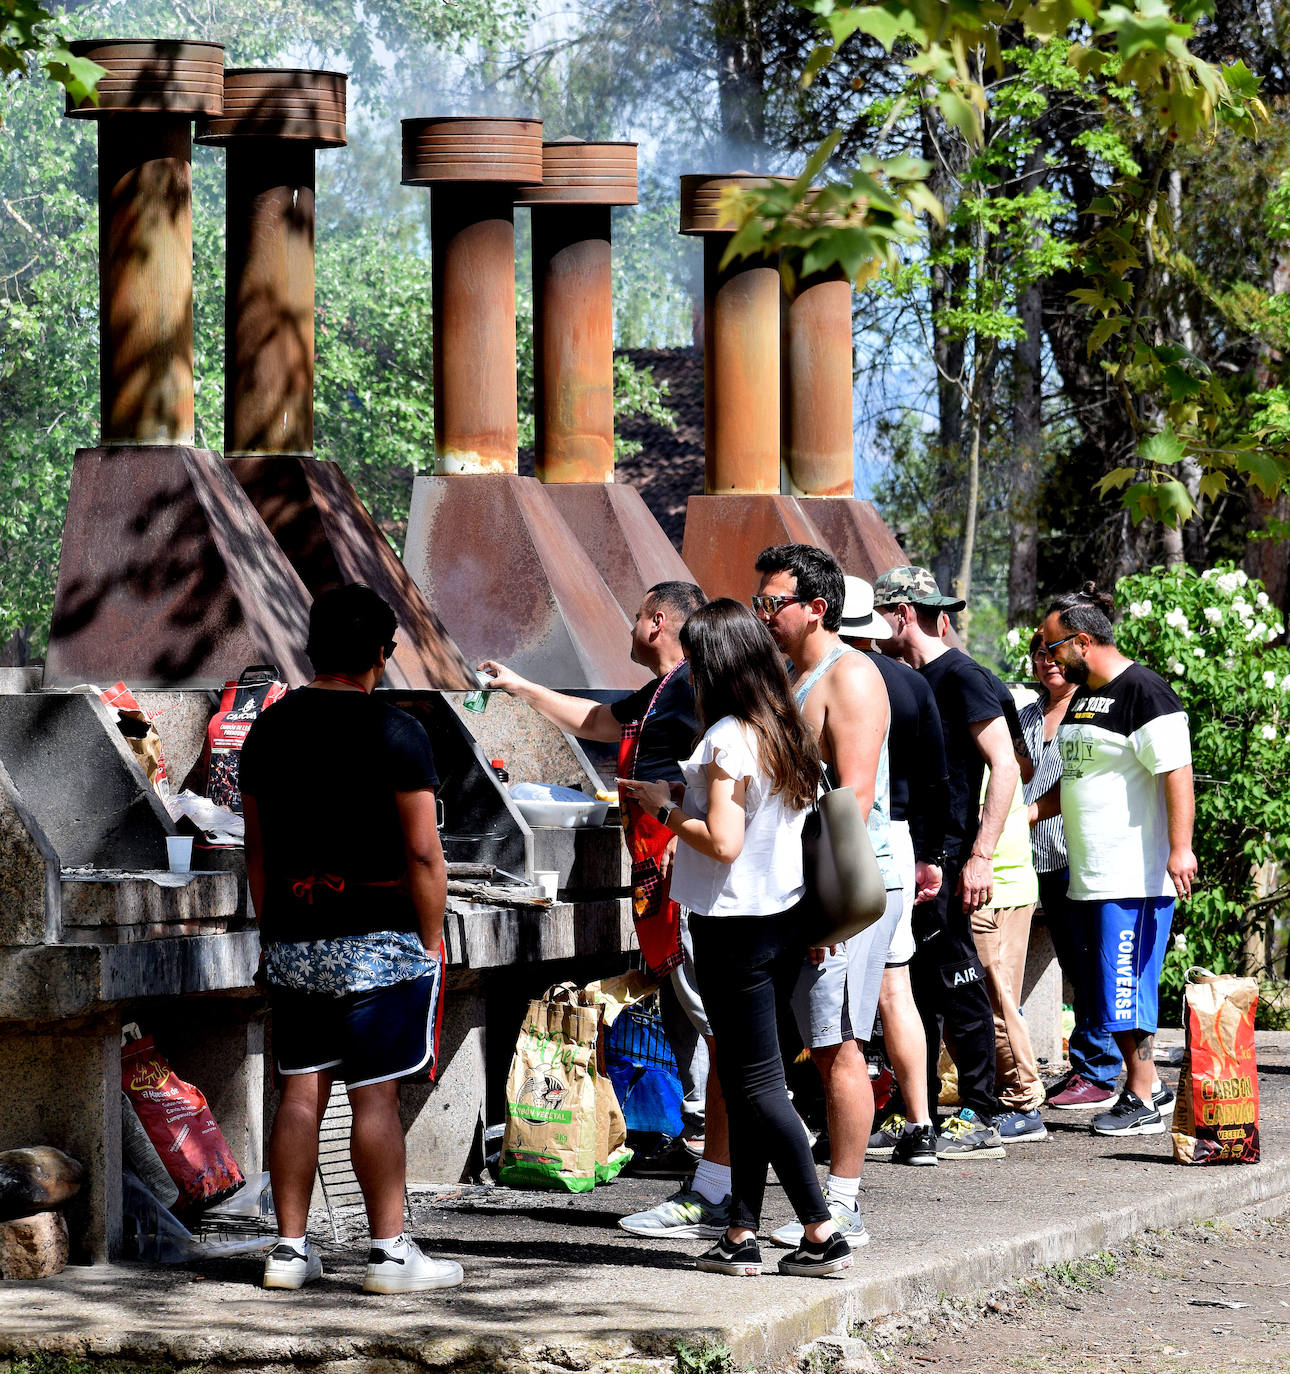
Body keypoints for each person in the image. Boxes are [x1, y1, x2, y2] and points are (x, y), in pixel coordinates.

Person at [477, 583, 734, 1235]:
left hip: (685, 873)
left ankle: (724, 1179)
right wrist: (520, 687)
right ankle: (708, 1162)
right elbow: (598, 723)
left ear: (655, 621)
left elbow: (718, 778)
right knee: (696, 1019)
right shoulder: (657, 693)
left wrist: (684, 829)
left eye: (635, 616)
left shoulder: (697, 685)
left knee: (717, 1027)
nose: (628, 628)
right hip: (658, 877)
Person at [617, 599, 850, 1278]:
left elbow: (722, 842)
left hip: (733, 928)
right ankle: (742, 1231)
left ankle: (820, 1229)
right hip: (782, 922)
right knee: (753, 1081)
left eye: (695, 658)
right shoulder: (785, 731)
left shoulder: (724, 737)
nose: (688, 671)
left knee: (758, 1085)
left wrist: (663, 808)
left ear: (714, 665)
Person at [240, 584, 463, 1294]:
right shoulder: (397, 732)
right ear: (380, 654)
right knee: (373, 1097)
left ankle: (287, 1249)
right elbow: (425, 855)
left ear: (311, 648)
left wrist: (273, 935)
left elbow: (257, 849)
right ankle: (390, 1255)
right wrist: (430, 940)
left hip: (296, 939)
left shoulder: (267, 730)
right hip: (379, 941)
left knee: (299, 1092)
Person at [748, 545, 904, 1249]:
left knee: (839, 1042)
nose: (763, 614)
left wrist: (827, 914)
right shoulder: (790, 674)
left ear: (818, 607)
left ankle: (846, 1202)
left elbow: (856, 802)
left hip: (843, 886)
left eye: (773, 602)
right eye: (759, 602)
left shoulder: (854, 677)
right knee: (813, 1038)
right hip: (800, 887)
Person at [872, 566, 1028, 1158]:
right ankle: (916, 1109)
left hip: (953, 857)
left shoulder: (960, 676)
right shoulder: (903, 678)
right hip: (910, 857)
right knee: (912, 982)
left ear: (902, 614)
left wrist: (980, 855)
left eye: (876, 618)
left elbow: (1010, 766)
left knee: (958, 976)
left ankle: (981, 1111)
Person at [1030, 583, 1197, 1137]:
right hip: (1089, 874)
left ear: (1081, 641)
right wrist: (1024, 813)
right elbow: (1077, 778)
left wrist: (1180, 849)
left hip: (1133, 875)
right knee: (1102, 992)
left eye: (1052, 648)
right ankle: (1141, 1085)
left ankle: (1144, 1096)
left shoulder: (1144, 691)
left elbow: (1176, 771)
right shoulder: (1083, 696)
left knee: (1125, 986)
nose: (1047, 658)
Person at [838, 576, 948, 1168]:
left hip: (847, 842)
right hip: (899, 842)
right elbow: (938, 778)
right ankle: (922, 1124)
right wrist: (932, 853)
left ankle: (839, 1126)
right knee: (893, 987)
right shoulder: (909, 683)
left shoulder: (826, 682)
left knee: (838, 997)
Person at [1019, 631, 1123, 1112]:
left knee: (1087, 966)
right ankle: (1085, 1066)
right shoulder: (1026, 715)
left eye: (1054, 654)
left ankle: (1098, 1068)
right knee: (1070, 963)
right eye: (1040, 655)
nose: (1048, 664)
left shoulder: (1092, 709)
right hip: (1027, 860)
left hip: (1074, 858)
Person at [973, 757, 1045, 1139]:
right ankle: (1012, 1094)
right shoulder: (1002, 742)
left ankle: (1024, 1099)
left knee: (995, 1005)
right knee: (1001, 1003)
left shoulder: (987, 749)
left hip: (994, 891)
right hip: (1007, 887)